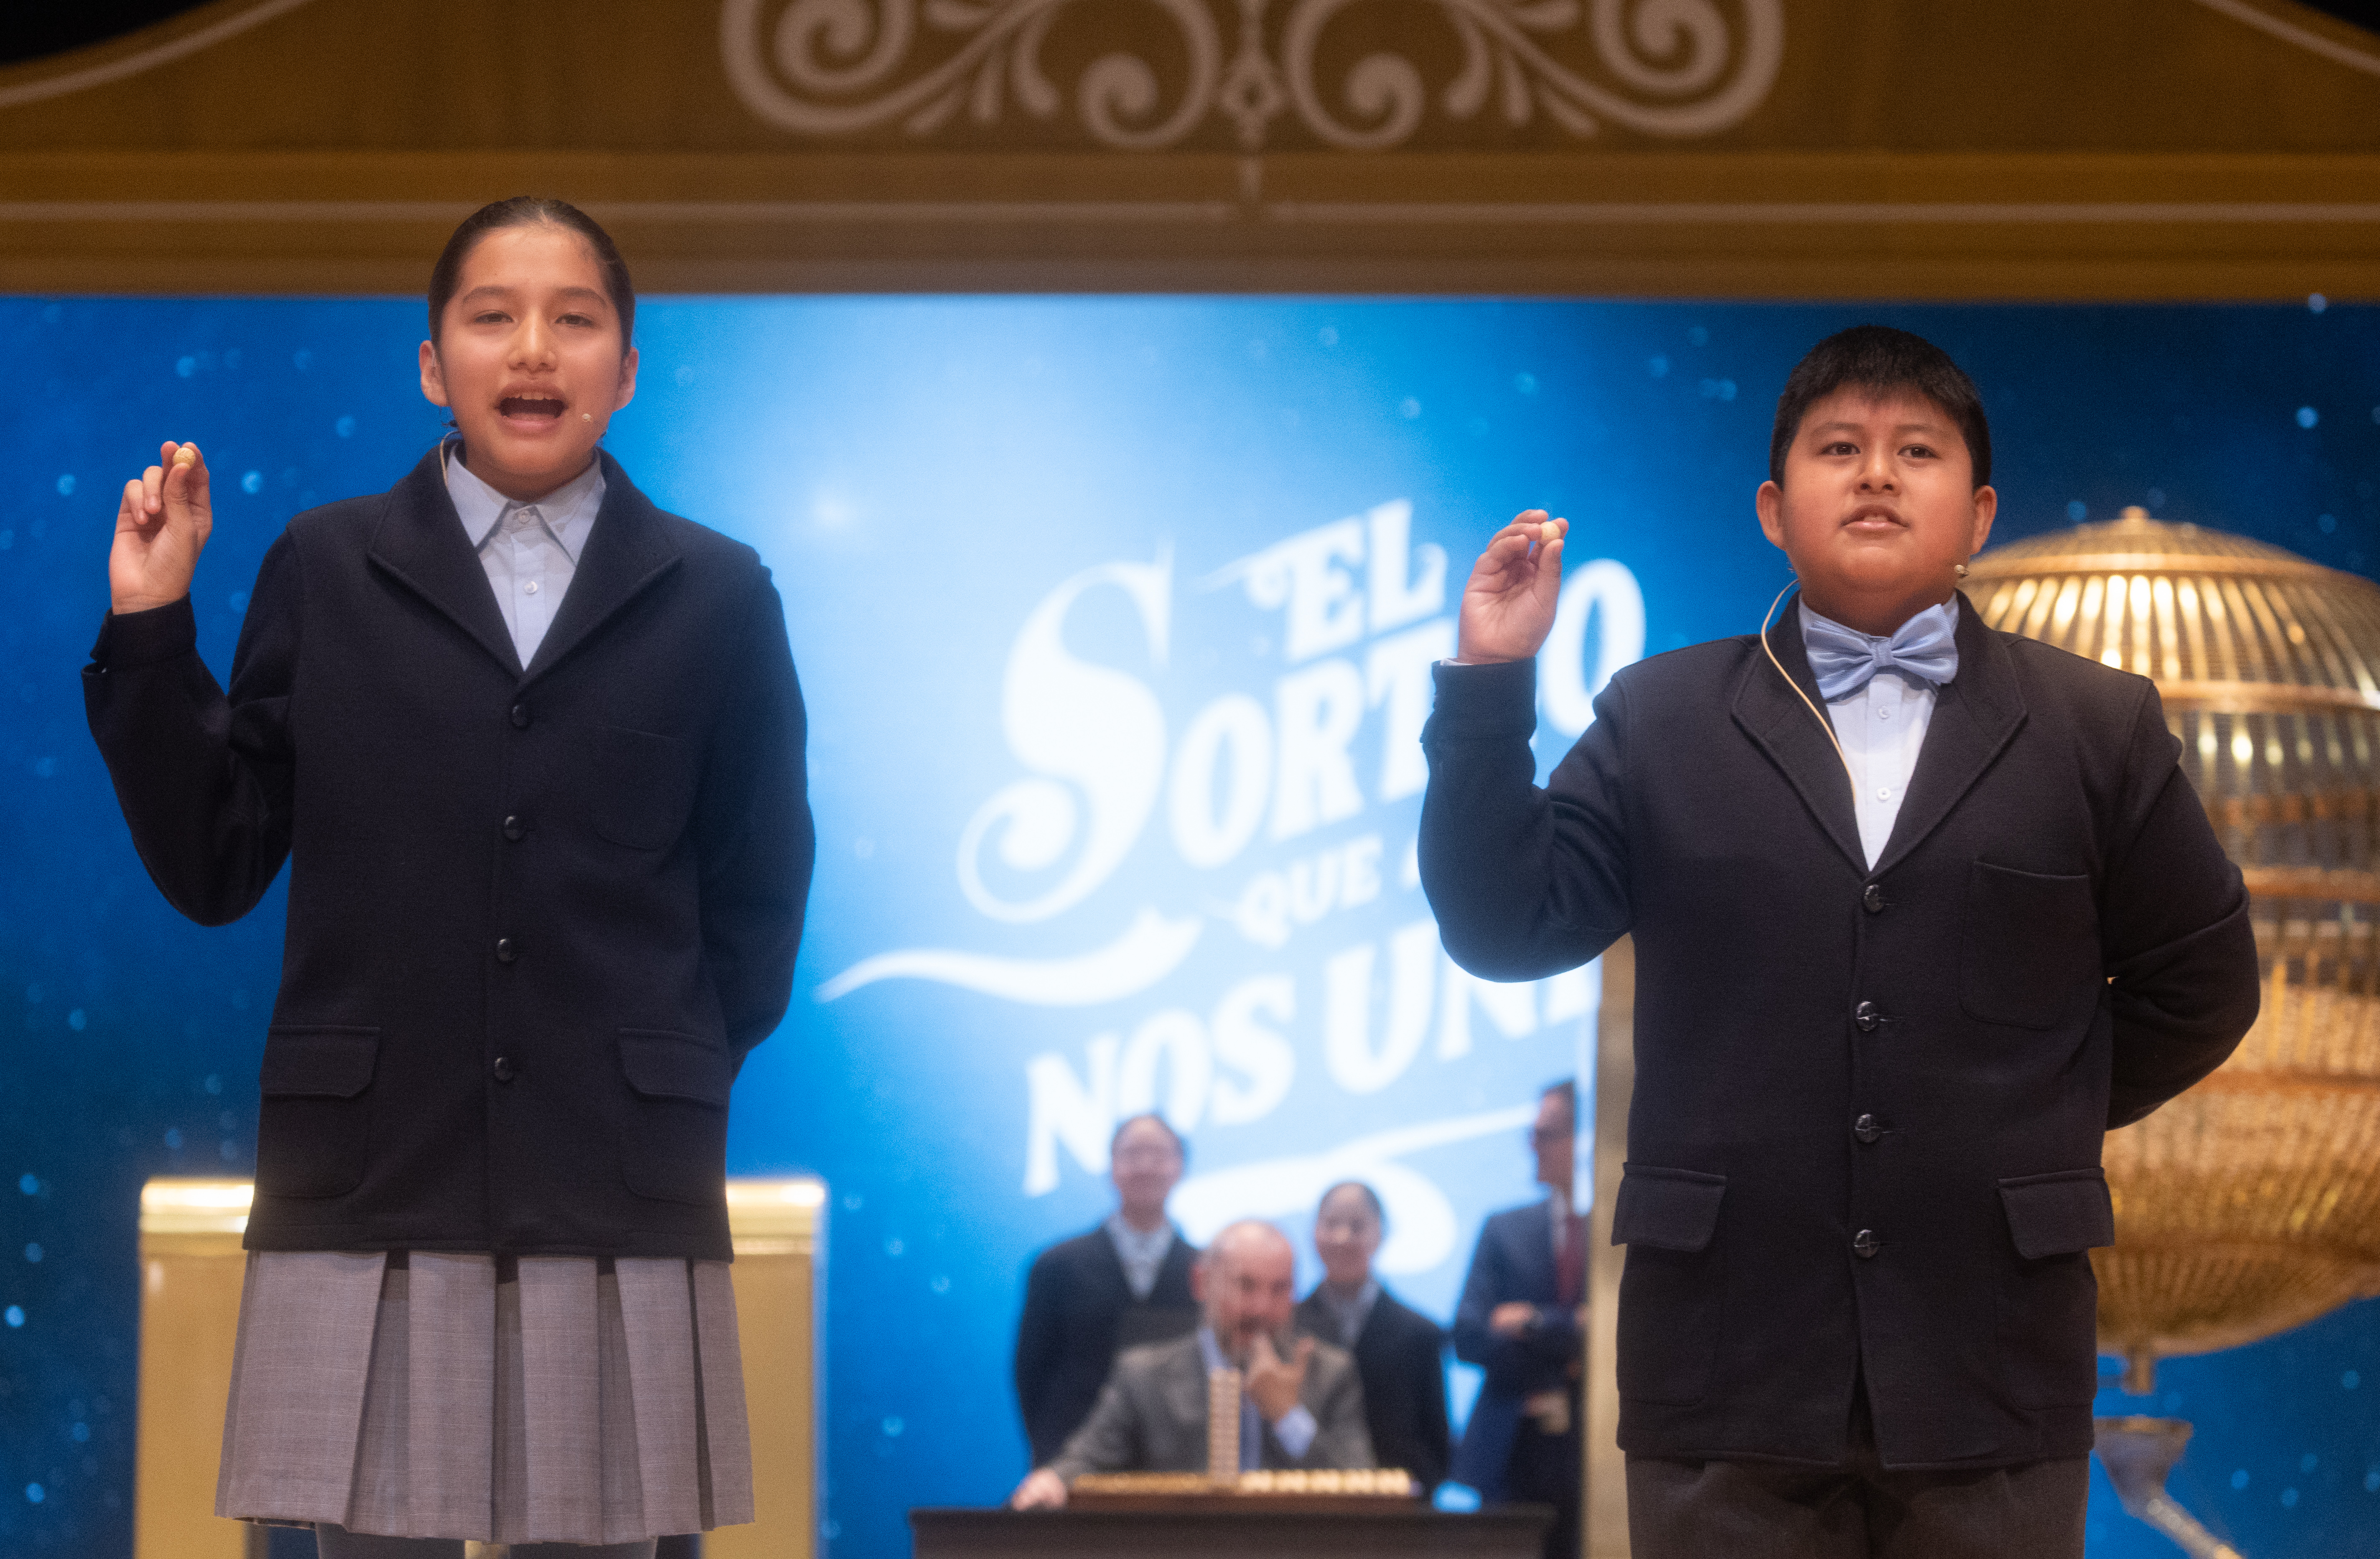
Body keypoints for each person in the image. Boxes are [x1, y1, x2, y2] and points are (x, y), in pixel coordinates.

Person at [1420, 324, 2261, 1558]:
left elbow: (2203, 983)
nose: (1874, 472)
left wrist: (2029, 1112)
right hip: (1723, 1367)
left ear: (1975, 512)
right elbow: (1502, 926)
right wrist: (1489, 681)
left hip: (1991, 1361)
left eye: (1913, 449)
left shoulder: (2094, 726)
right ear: (1772, 507)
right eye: (1838, 448)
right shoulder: (1659, 718)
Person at [84, 197, 814, 1558]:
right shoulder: (326, 566)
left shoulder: (719, 595)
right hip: (370, 1181)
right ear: (432, 362)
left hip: (617, 1192)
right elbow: (215, 860)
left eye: (574, 319)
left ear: (628, 367)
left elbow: (756, 897)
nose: (533, 351)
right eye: (492, 316)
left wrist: (657, 1061)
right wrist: (151, 624)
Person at [1010, 1220, 1374, 1506]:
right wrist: (1053, 1480)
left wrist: (1287, 1416)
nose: (1262, 1308)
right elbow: (1085, 1460)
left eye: (1279, 1289)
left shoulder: (1330, 1373)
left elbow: (1365, 1488)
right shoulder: (1143, 1375)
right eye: (1246, 1286)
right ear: (1202, 1283)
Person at [1013, 1113, 1201, 1467]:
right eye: (1131, 1154)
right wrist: (1051, 1459)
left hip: (1177, 1469)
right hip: (1073, 1463)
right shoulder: (1057, 1265)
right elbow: (1032, 1373)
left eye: (1159, 1155)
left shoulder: (1206, 1270)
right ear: (1110, 1167)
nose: (1145, 1166)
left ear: (1180, 1168)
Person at [1449, 1082, 1585, 1557]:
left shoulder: (1616, 1232)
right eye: (1532, 1132)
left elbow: (1612, 1336)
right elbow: (1467, 1336)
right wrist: (1569, 1337)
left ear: (1585, 1137)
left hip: (1595, 1453)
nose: (1534, 1145)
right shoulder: (1503, 1228)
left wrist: (1530, 1322)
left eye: (1548, 1133)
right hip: (1510, 1453)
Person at [1295, 1180, 1451, 1493]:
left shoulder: (1420, 1334)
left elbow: (1438, 1447)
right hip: (1301, 1505)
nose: (1342, 1238)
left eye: (1357, 1226)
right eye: (1330, 1224)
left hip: (1396, 1518)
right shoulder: (1287, 1327)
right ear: (1313, 1232)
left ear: (1381, 1234)